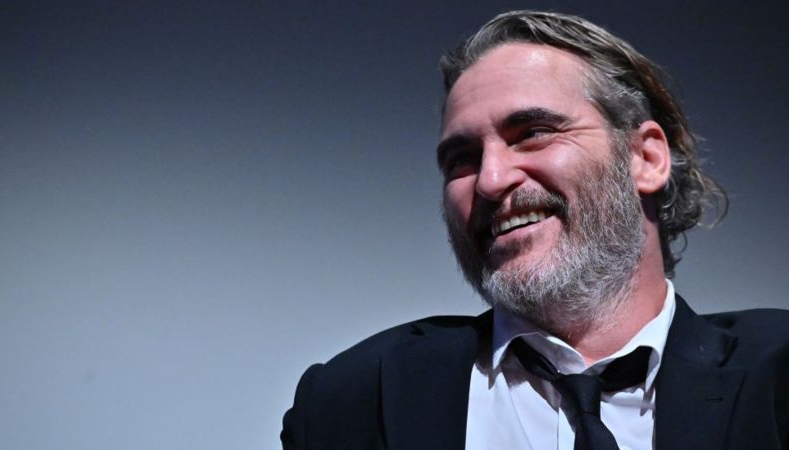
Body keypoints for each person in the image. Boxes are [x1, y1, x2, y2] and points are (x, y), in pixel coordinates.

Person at [281, 10, 789, 450]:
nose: (490, 180)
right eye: (462, 159)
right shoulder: (353, 399)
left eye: (533, 133)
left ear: (646, 158)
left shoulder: (776, 374)